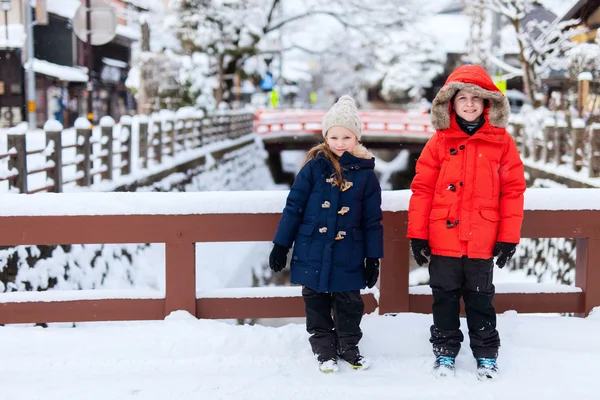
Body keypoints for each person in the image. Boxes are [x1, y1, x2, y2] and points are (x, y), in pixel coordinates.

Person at [407, 65, 526, 380]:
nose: (470, 104)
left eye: (477, 97)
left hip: (482, 238)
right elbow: (422, 189)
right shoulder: (439, 142)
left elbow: (513, 191)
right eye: (463, 98)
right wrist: (417, 236)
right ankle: (445, 352)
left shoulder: (501, 142)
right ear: (451, 102)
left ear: (488, 103)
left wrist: (509, 236)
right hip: (443, 236)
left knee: (480, 299)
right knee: (443, 299)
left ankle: (486, 354)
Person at [269, 95, 383, 373]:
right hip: (312, 249)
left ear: (356, 138)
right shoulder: (313, 168)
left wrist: (372, 258)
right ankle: (324, 351)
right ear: (326, 137)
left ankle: (349, 347)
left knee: (349, 304)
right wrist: (281, 245)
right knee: (316, 303)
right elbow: (293, 207)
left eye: (347, 137)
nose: (340, 143)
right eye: (334, 137)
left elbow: (372, 220)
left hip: (350, 252)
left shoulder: (366, 175)